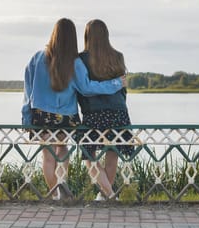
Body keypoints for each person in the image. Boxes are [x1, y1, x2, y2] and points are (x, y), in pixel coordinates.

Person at [22, 18, 125, 200]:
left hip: (41, 116)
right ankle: (64, 189)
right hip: (66, 118)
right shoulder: (74, 62)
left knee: (47, 158)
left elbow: (28, 93)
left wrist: (26, 117)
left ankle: (56, 195)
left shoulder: (36, 58)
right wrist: (115, 84)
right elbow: (87, 88)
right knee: (63, 149)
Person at [76, 19, 133, 200]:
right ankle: (107, 196)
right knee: (112, 154)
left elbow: (82, 88)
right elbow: (123, 90)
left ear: (87, 36)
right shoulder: (118, 57)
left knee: (88, 154)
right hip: (119, 112)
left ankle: (107, 195)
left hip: (94, 114)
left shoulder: (81, 59)